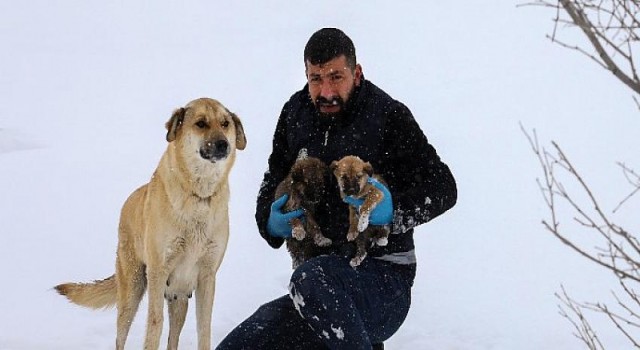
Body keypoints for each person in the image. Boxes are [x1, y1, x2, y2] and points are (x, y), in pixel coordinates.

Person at [216, 28, 457, 350]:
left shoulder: (388, 115)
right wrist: (269, 221)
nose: (326, 90)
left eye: (336, 77)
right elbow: (272, 178)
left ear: (357, 73)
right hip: (317, 290)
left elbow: (443, 187)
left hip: (383, 280)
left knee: (313, 278)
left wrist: (392, 212)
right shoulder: (295, 114)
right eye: (316, 78)